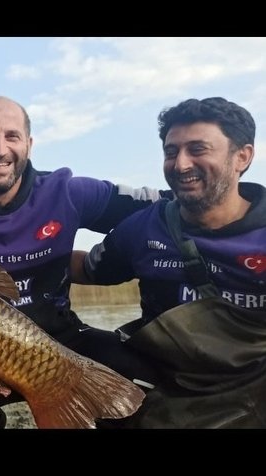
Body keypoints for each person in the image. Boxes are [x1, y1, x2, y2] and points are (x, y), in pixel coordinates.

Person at [0, 96, 169, 429]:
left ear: (29, 144)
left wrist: (102, 261)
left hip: (59, 339)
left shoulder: (65, 192)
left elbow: (162, 207)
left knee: (141, 377)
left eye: (11, 136)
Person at [72, 97, 266, 428]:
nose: (181, 164)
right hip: (169, 384)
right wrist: (21, 255)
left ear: (242, 157)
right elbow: (87, 271)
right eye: (171, 151)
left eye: (198, 149)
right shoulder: (144, 227)